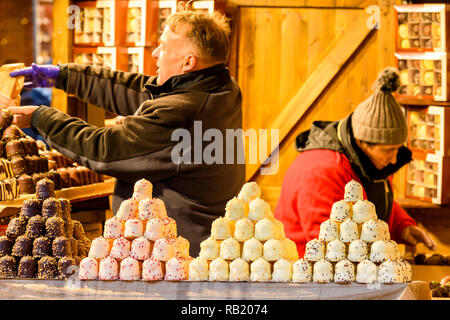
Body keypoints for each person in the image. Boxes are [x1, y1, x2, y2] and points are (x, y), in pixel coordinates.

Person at [8, 10, 245, 256]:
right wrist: (66, 77)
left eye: (163, 48)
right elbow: (140, 91)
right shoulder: (222, 89)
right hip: (195, 243)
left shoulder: (183, 111)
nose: (155, 53)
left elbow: (103, 150)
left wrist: (40, 118)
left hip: (173, 255)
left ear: (188, 62)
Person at [274, 67, 436, 257]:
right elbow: (330, 242)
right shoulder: (321, 171)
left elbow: (367, 203)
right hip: (305, 273)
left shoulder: (365, 160)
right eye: (388, 151)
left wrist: (401, 226)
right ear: (362, 142)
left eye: (397, 149)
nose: (394, 158)